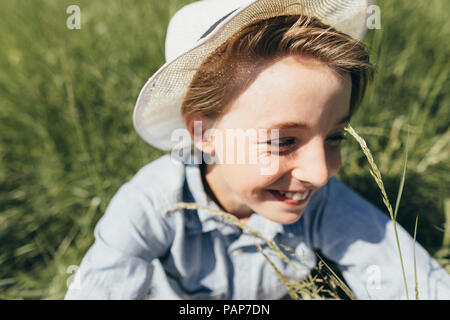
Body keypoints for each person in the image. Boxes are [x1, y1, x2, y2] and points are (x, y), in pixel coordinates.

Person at [65, 0, 450, 300]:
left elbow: (410, 278)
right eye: (283, 141)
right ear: (202, 132)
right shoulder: (150, 204)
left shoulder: (317, 200)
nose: (319, 173)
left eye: (334, 136)